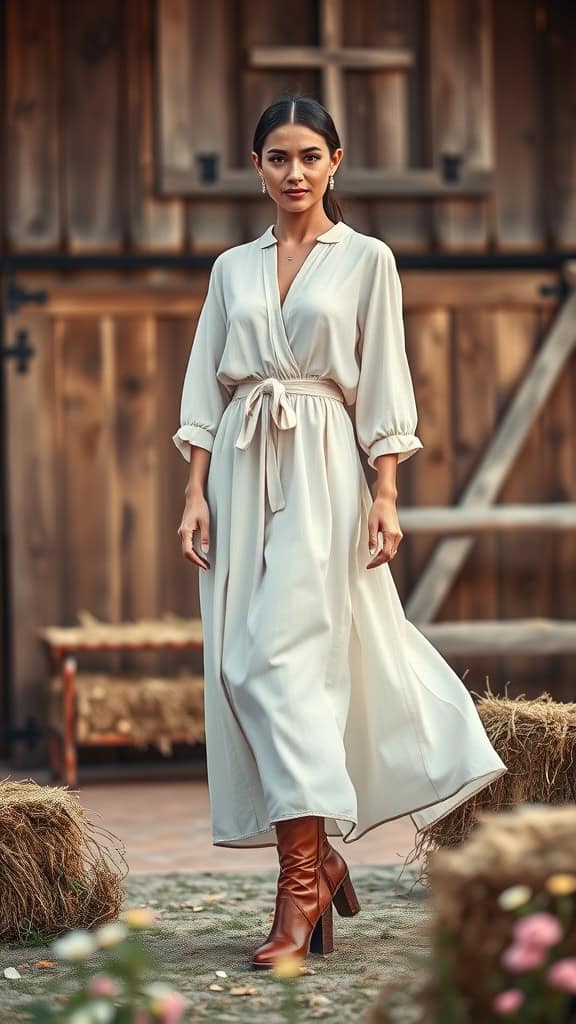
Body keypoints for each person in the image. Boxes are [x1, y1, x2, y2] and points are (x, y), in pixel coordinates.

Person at [173, 95, 507, 970]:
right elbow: (206, 388)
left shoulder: (368, 261)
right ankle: (318, 860)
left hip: (324, 472)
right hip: (243, 472)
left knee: (280, 664)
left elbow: (385, 380)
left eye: (310, 157)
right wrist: (195, 491)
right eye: (278, 157)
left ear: (336, 162)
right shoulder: (230, 269)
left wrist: (386, 493)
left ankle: (299, 890)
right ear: (256, 167)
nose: (294, 172)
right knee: (241, 663)